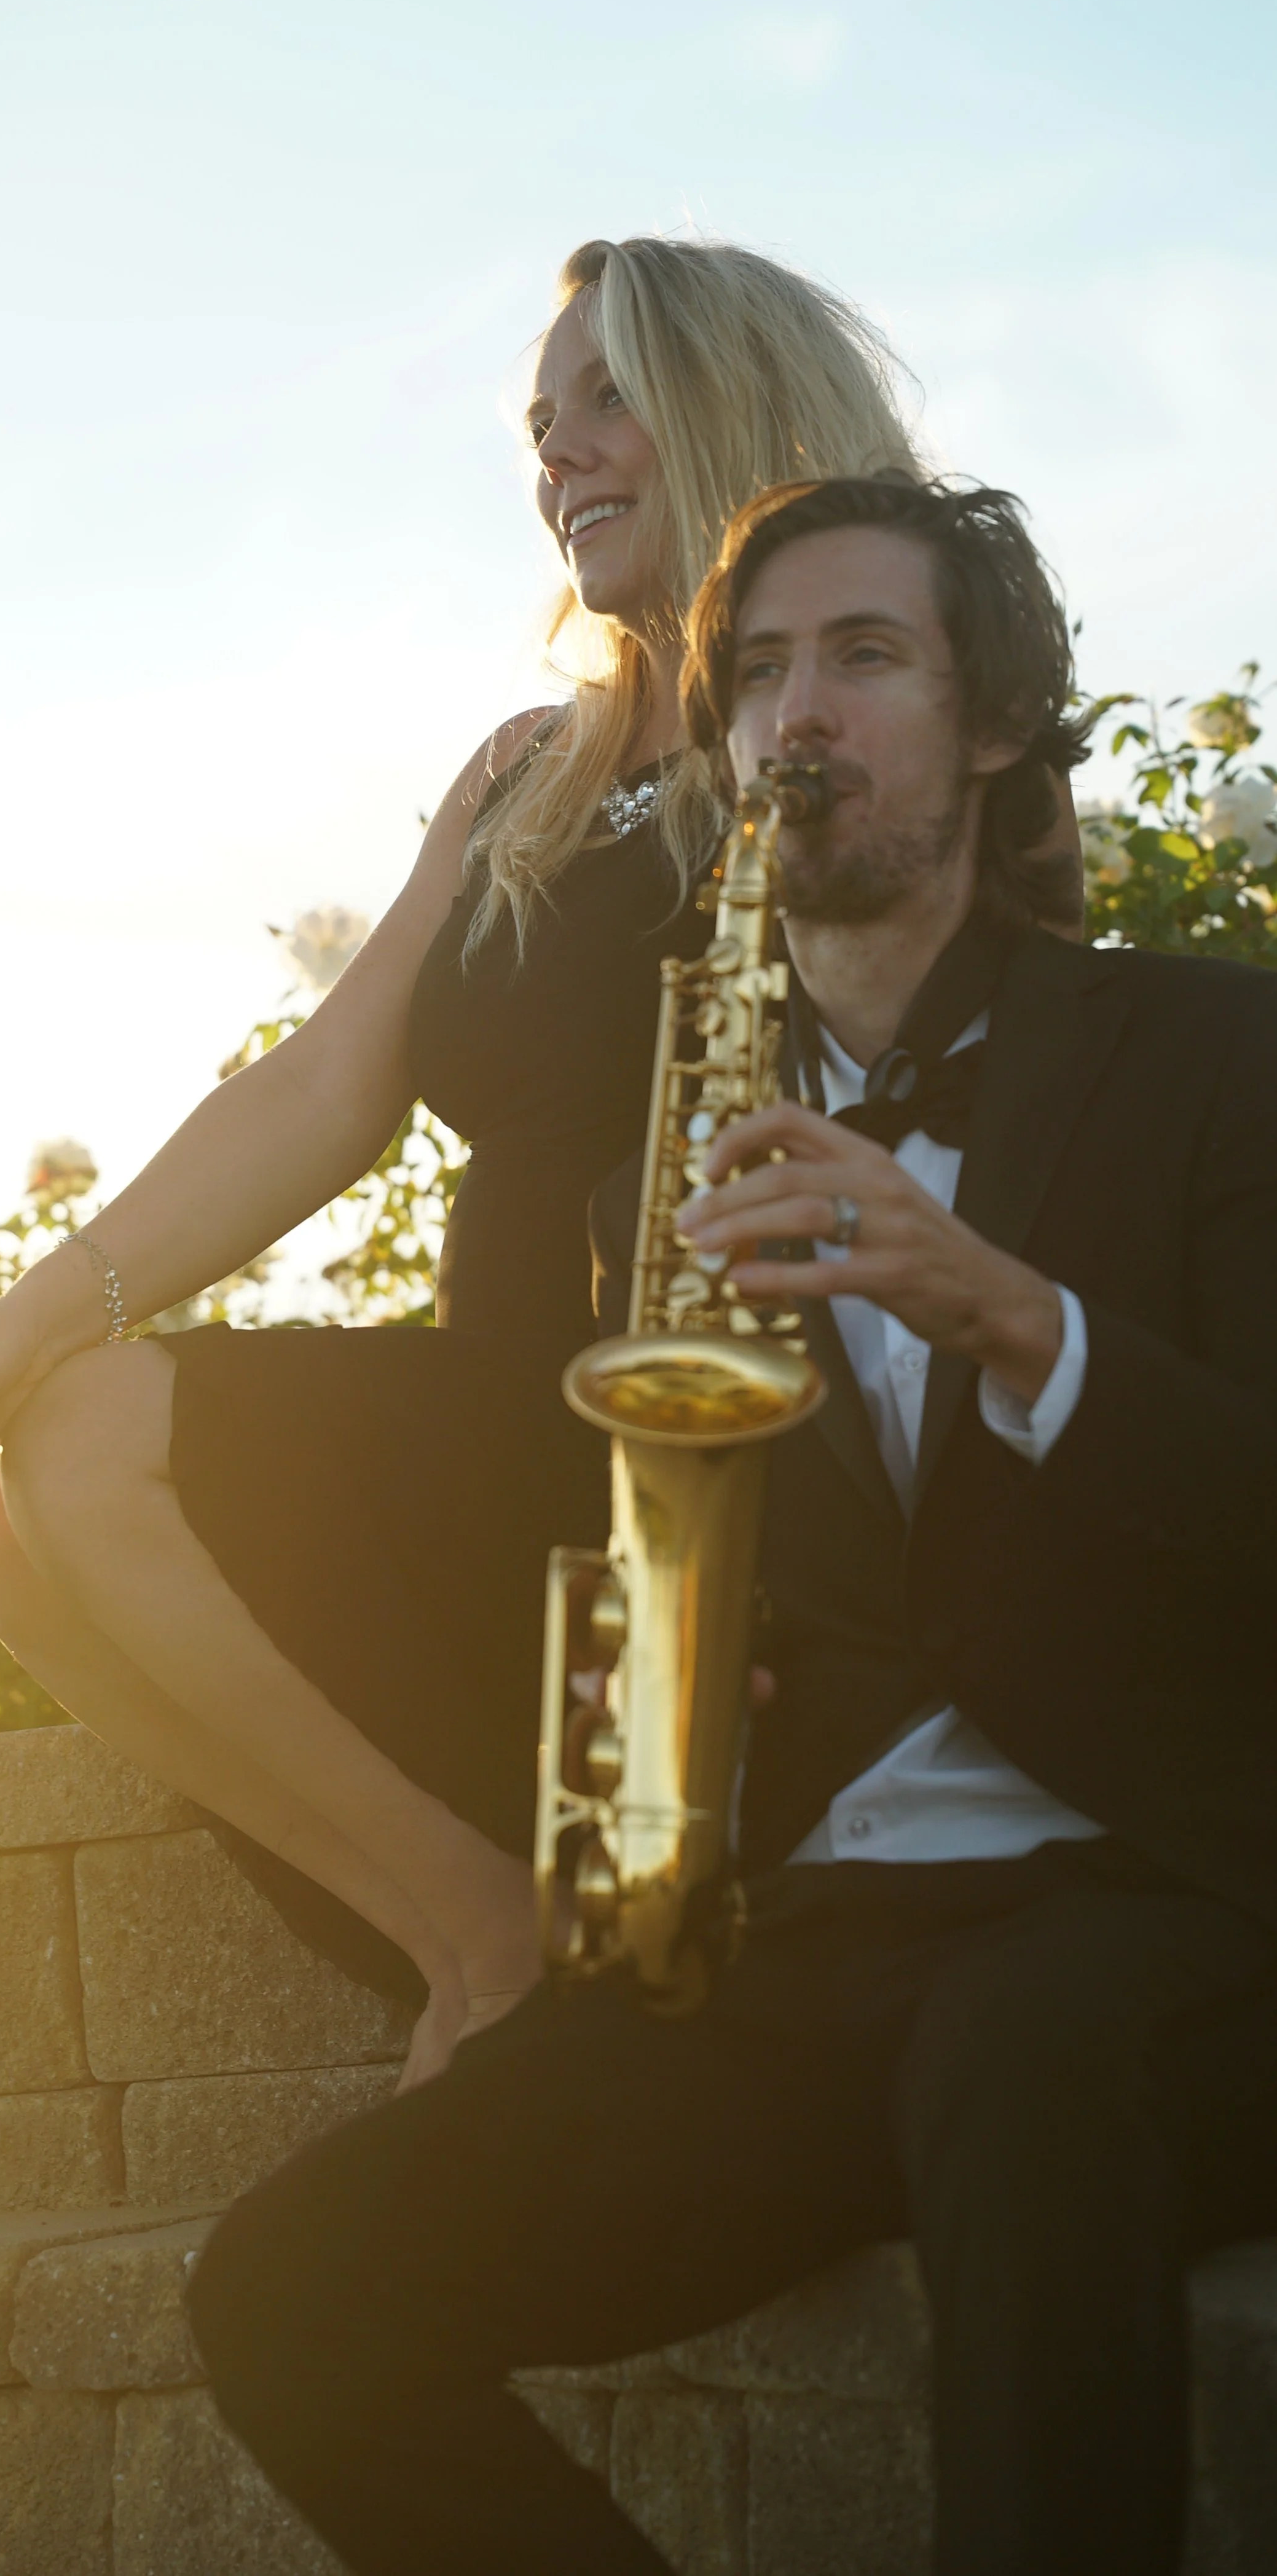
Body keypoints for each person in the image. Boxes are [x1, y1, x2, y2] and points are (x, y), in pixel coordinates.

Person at [183, 476, 1277, 2576]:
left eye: (864, 657)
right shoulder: (658, 1184)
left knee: (1019, 2045)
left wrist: (1001, 1310)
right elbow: (714, 1593)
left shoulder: (1219, 1057)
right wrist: (649, 1776)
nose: (797, 714)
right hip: (816, 1950)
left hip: (1164, 1911)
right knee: (292, 2297)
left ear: (987, 726)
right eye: (759, 670)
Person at [0, 236, 924, 2087]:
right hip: (481, 1400)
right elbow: (328, 1085)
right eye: (537, 421)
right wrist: (0, 1336)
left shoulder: (836, 723)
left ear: (731, 404)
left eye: (606, 402)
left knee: (100, 1438)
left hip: (702, 1442)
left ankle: (505, 1950)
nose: (558, 455)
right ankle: (467, 1932)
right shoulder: (530, 772)